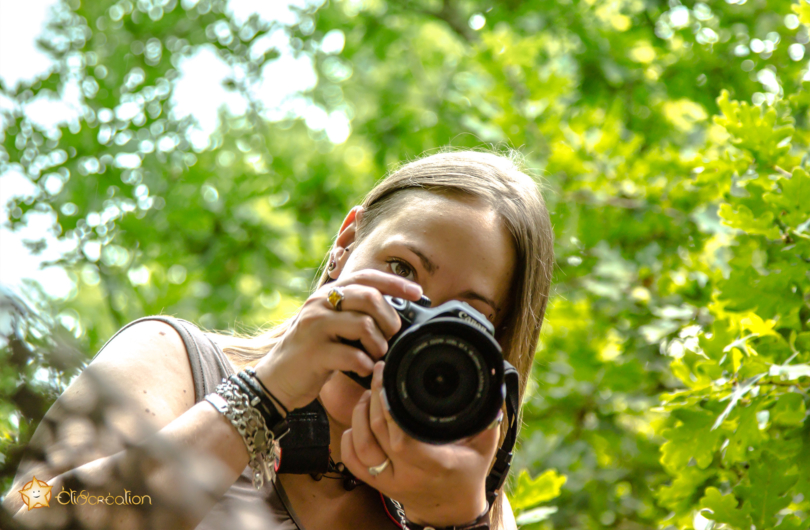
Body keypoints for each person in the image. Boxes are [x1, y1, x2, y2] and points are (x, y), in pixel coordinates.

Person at [4, 149, 554, 530]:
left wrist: (452, 520)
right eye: (401, 270)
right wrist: (260, 399)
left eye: (460, 313)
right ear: (345, 245)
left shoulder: (466, 500)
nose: (412, 318)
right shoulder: (178, 362)